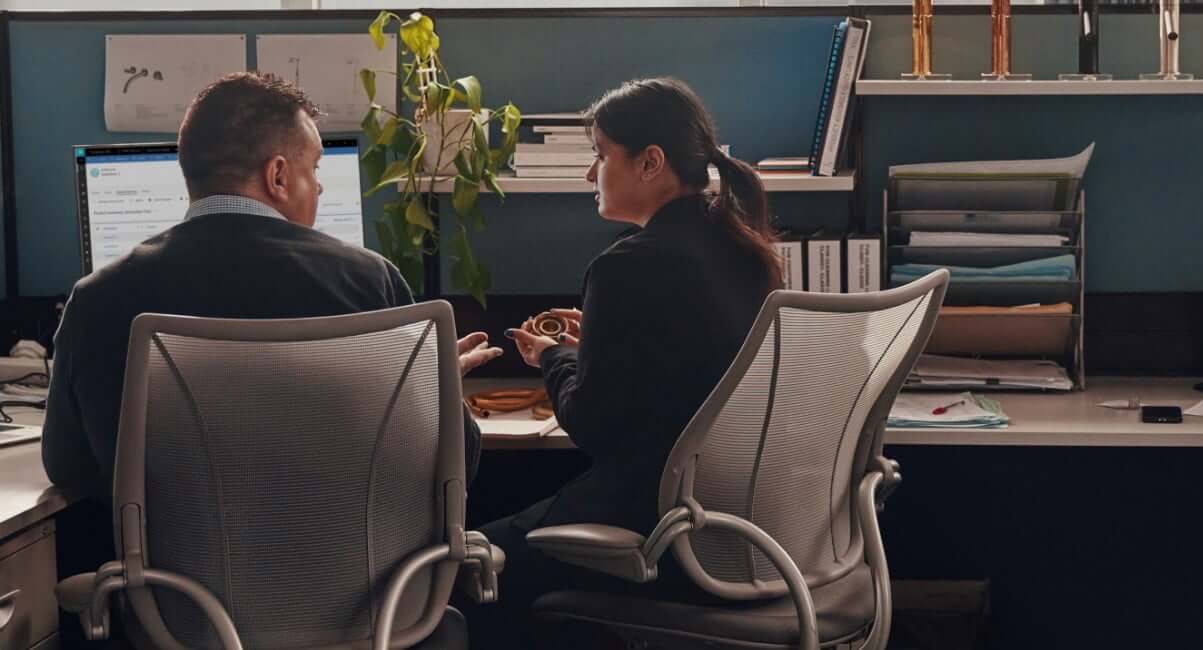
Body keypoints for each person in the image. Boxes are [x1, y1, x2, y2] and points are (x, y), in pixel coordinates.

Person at [41, 72, 503, 504]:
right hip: (363, 585)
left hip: (171, 591)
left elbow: (70, 470)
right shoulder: (366, 281)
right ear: (278, 175)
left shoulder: (99, 296)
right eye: (315, 169)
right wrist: (430, 387)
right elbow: (459, 462)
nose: (319, 188)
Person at [486, 77, 780, 646]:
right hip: (738, 528)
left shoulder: (627, 266)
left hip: (656, 528)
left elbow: (593, 425)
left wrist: (555, 357)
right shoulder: (744, 249)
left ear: (650, 163)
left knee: (462, 566)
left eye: (599, 156)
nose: (590, 175)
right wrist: (592, 340)